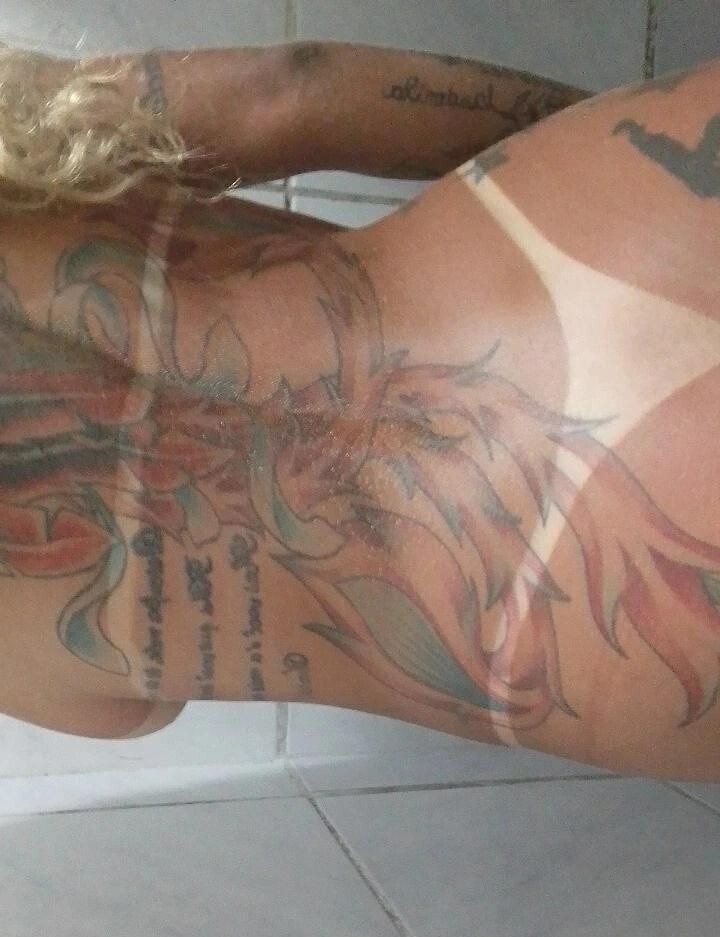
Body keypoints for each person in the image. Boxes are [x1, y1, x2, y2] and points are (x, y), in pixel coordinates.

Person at [0, 39, 717, 780]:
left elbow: (133, 712)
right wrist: (581, 141)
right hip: (579, 241)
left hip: (570, 627)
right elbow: (288, 92)